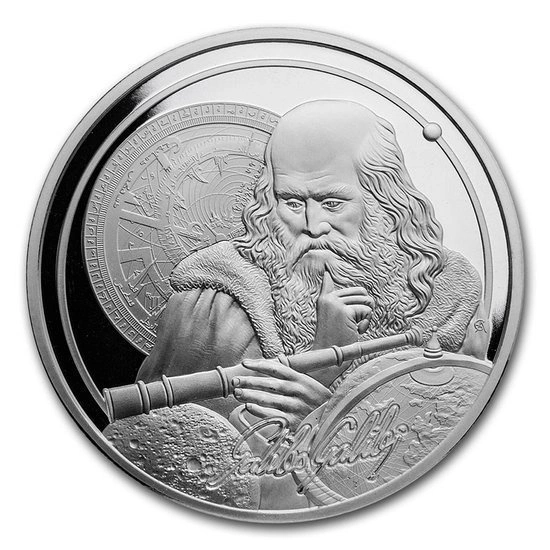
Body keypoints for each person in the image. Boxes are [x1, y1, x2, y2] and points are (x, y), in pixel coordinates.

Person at [136, 100, 488, 428]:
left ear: (385, 200)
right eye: (292, 202)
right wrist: (324, 363)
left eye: (332, 203)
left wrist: (327, 418)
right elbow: (163, 441)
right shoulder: (211, 305)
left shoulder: (448, 298)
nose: (312, 225)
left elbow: (459, 442)